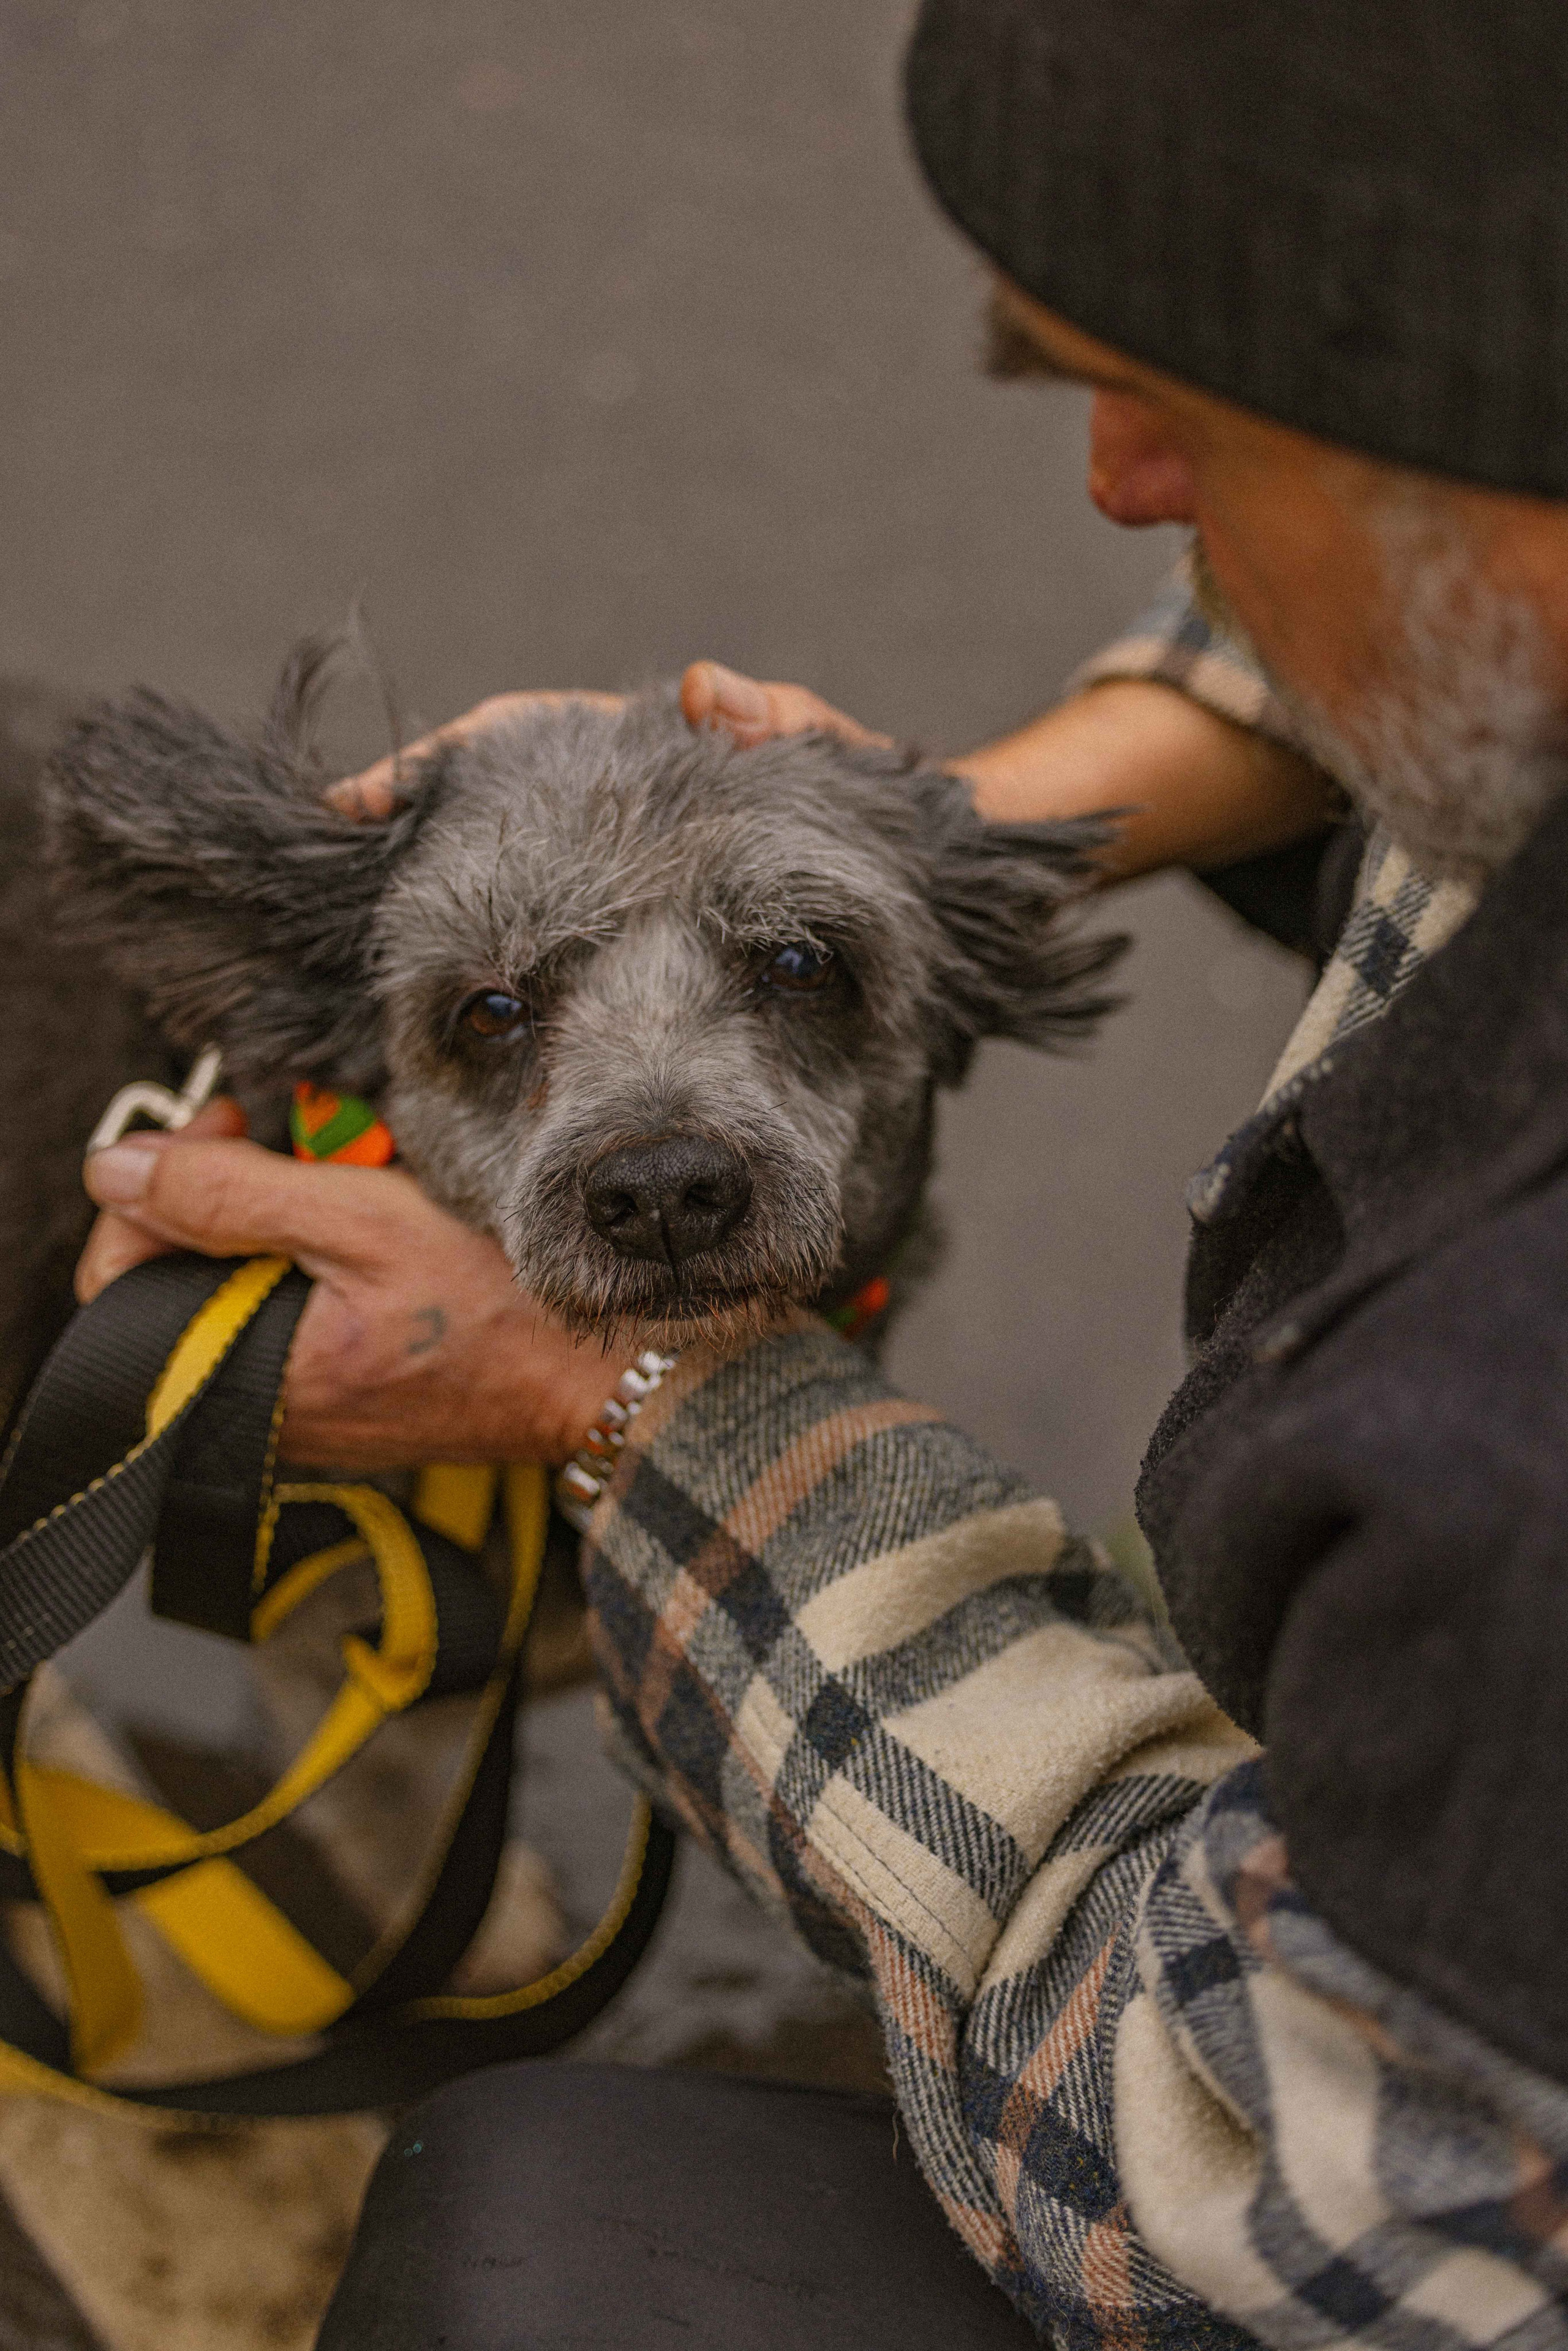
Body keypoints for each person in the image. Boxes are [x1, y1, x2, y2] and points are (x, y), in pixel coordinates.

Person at [74, 1, 1568, 2343]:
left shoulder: (1513, 1454)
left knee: (542, 2220)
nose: (1119, 491)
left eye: (1200, 415)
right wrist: (934, 835)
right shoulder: (1470, 550)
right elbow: (1371, 589)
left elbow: (1269, 2200)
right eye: (497, 1020)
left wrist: (627, 1405)